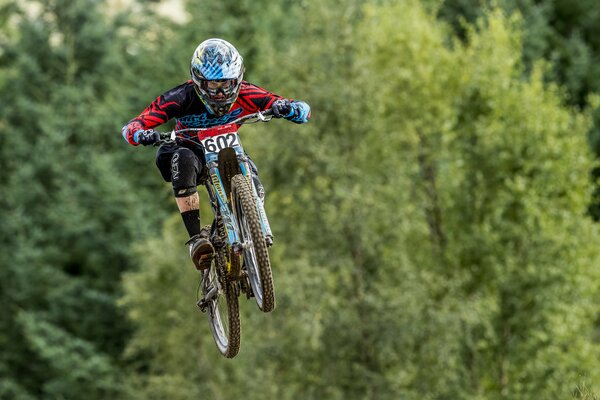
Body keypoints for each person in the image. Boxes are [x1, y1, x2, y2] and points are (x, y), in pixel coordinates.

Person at [121, 38, 311, 270]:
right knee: (184, 159)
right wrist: (141, 134)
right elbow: (134, 125)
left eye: (227, 84)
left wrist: (290, 108)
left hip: (227, 149)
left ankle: (251, 227)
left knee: (251, 172)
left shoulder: (247, 93)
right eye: (213, 86)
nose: (221, 93)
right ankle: (196, 239)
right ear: (199, 82)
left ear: (238, 79)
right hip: (188, 148)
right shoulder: (181, 97)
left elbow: (302, 110)